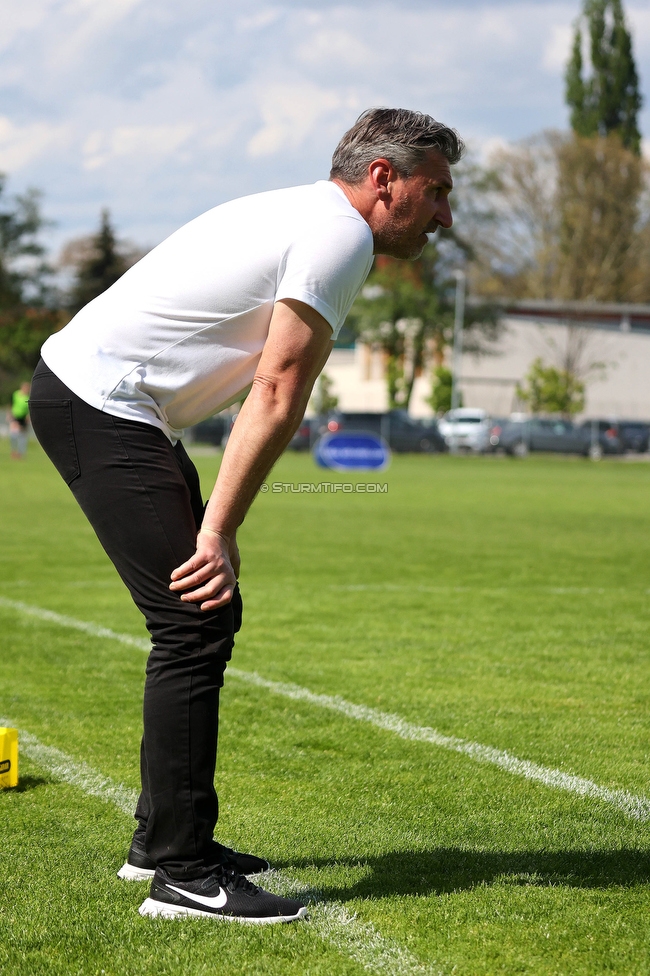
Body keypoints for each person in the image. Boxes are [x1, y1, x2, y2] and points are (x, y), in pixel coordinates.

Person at [29, 107, 462, 924]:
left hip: (103, 400)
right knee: (194, 618)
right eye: (434, 192)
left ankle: (163, 841)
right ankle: (183, 875)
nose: (444, 215)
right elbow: (276, 387)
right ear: (383, 179)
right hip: (101, 403)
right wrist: (218, 531)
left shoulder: (305, 213)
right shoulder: (340, 237)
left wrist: (217, 528)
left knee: (201, 618)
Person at [8, 382, 31, 459]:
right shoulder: (16, 394)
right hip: (15, 416)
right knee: (13, 434)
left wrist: (28, 416)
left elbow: (28, 409)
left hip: (23, 418)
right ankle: (13, 450)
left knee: (22, 436)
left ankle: (21, 453)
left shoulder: (28, 398)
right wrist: (10, 413)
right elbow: (11, 403)